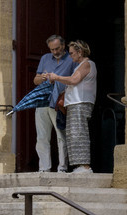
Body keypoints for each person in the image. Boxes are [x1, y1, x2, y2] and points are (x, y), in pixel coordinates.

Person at [45, 40, 98, 173]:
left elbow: (74, 80)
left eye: (72, 53)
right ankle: (79, 165)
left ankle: (85, 166)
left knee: (79, 132)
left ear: (80, 52)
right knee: (73, 133)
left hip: (80, 103)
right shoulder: (79, 65)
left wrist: (56, 77)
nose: (70, 56)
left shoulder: (87, 64)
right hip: (75, 103)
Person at [31, 35, 74, 173]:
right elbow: (35, 81)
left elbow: (76, 80)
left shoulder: (72, 59)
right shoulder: (45, 58)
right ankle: (44, 168)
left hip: (59, 102)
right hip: (43, 101)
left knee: (61, 134)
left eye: (57, 48)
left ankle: (62, 167)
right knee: (42, 136)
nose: (55, 52)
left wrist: (58, 79)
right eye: (52, 49)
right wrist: (42, 77)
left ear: (63, 45)